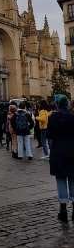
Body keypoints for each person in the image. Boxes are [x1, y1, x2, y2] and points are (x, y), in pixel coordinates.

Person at [47, 95, 74, 223]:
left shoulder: (52, 117)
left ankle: (63, 210)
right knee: (73, 180)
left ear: (57, 105)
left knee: (61, 180)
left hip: (58, 152)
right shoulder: (73, 117)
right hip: (72, 152)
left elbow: (49, 136)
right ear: (67, 104)